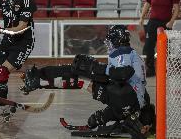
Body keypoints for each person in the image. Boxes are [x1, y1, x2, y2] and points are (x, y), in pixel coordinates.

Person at [21, 25, 156, 138]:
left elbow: (123, 73)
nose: (108, 43)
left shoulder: (121, 52)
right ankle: (39, 78)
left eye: (110, 40)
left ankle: (37, 80)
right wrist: (102, 117)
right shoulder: (132, 54)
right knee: (94, 117)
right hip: (132, 102)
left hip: (126, 98)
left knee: (78, 76)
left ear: (116, 40)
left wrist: (95, 68)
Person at [139, 0, 180, 77]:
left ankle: (165, 69)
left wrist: (171, 21)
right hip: (152, 23)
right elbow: (147, 4)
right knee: (148, 46)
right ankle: (151, 70)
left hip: (166, 24)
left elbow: (176, 8)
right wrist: (142, 17)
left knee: (166, 48)